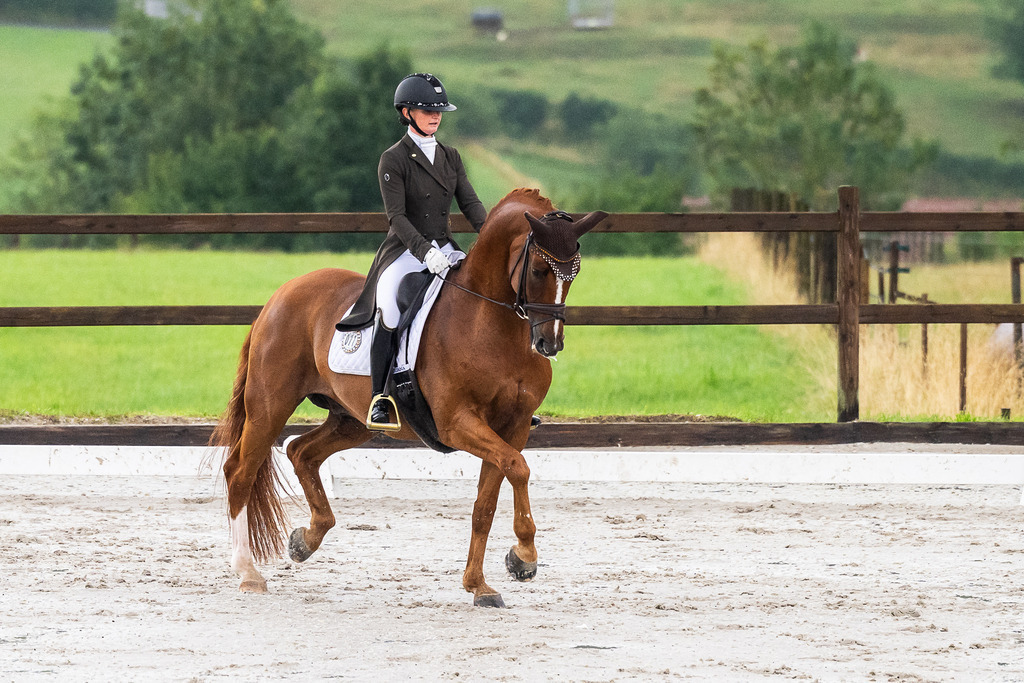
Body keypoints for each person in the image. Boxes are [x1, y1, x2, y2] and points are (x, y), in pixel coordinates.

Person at [336, 72, 488, 431]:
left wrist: (493, 235)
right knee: (389, 305)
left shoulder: (451, 157)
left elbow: (471, 205)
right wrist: (425, 253)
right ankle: (379, 396)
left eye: (439, 111)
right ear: (406, 113)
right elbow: (397, 218)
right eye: (426, 110)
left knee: (481, 298)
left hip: (446, 248)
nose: (435, 116)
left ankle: (491, 390)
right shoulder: (394, 159)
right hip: (404, 251)